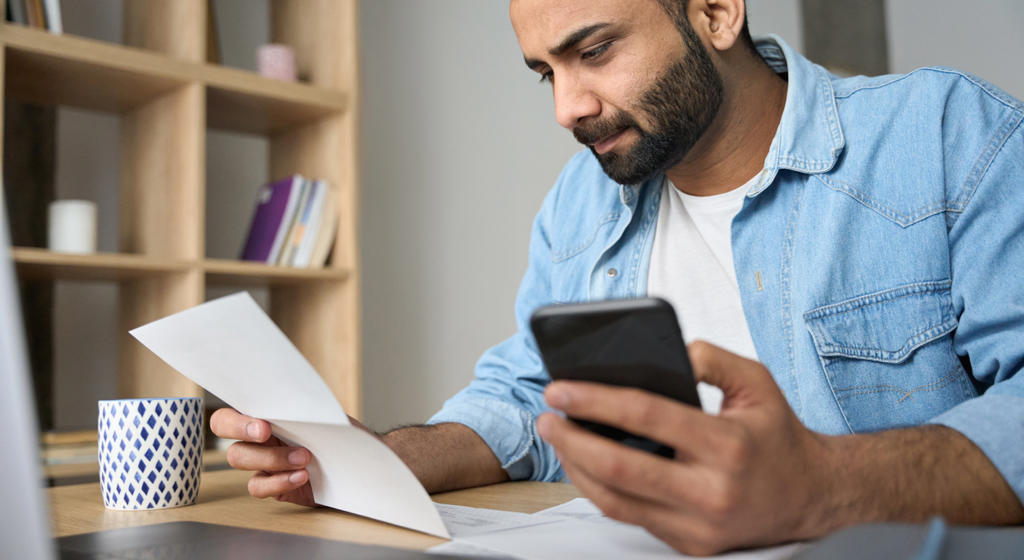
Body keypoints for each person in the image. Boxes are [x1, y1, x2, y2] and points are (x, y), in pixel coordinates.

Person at [211, 0, 1024, 554]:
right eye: (544, 73)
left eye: (593, 50)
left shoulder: (948, 135)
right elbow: (532, 396)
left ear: (714, 9)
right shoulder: (581, 202)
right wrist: (379, 458)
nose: (566, 107)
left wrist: (820, 485)